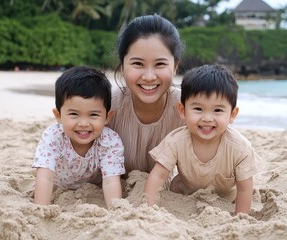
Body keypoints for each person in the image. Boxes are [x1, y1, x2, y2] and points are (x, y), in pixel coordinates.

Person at [144, 64, 262, 214]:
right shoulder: (176, 141)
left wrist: (241, 217)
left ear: (232, 114)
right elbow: (157, 176)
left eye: (218, 110)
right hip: (185, 193)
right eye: (198, 109)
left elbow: (245, 188)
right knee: (175, 184)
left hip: (227, 198)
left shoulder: (239, 147)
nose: (207, 118)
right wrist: (147, 209)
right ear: (182, 110)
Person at [32, 66, 125, 206]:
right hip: (59, 185)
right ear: (58, 115)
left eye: (93, 115)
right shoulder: (53, 137)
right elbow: (45, 176)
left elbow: (111, 180)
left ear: (107, 117)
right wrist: (40, 208)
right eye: (74, 114)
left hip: (94, 188)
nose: (83, 123)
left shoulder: (110, 140)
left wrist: (116, 209)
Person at [108, 14, 185, 175]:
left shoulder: (187, 108)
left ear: (175, 66)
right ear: (122, 66)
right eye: (137, 63)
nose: (149, 76)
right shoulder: (107, 105)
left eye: (160, 64)